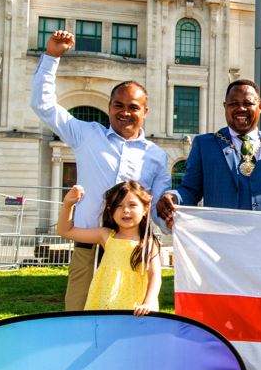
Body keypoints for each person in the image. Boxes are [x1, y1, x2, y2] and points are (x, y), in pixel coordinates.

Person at [31, 29, 169, 310]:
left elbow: (159, 205)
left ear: (145, 112)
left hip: (132, 252)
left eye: (133, 107)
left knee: (127, 320)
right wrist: (51, 57)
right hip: (89, 245)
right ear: (109, 107)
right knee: (78, 314)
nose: (125, 112)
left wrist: (176, 221)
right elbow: (43, 105)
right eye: (118, 105)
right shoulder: (86, 135)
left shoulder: (156, 155)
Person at [156, 79, 261, 225]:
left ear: (260, 107)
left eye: (248, 103)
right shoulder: (205, 145)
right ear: (225, 106)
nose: (241, 109)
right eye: (234, 104)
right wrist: (174, 197)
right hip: (225, 244)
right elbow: (190, 191)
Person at [56, 181, 161, 315]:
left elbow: (155, 275)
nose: (126, 210)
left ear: (145, 208)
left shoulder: (149, 243)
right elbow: (65, 231)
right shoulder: (105, 236)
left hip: (135, 306)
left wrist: (149, 302)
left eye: (132, 205)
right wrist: (68, 204)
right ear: (111, 211)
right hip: (103, 302)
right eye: (119, 205)